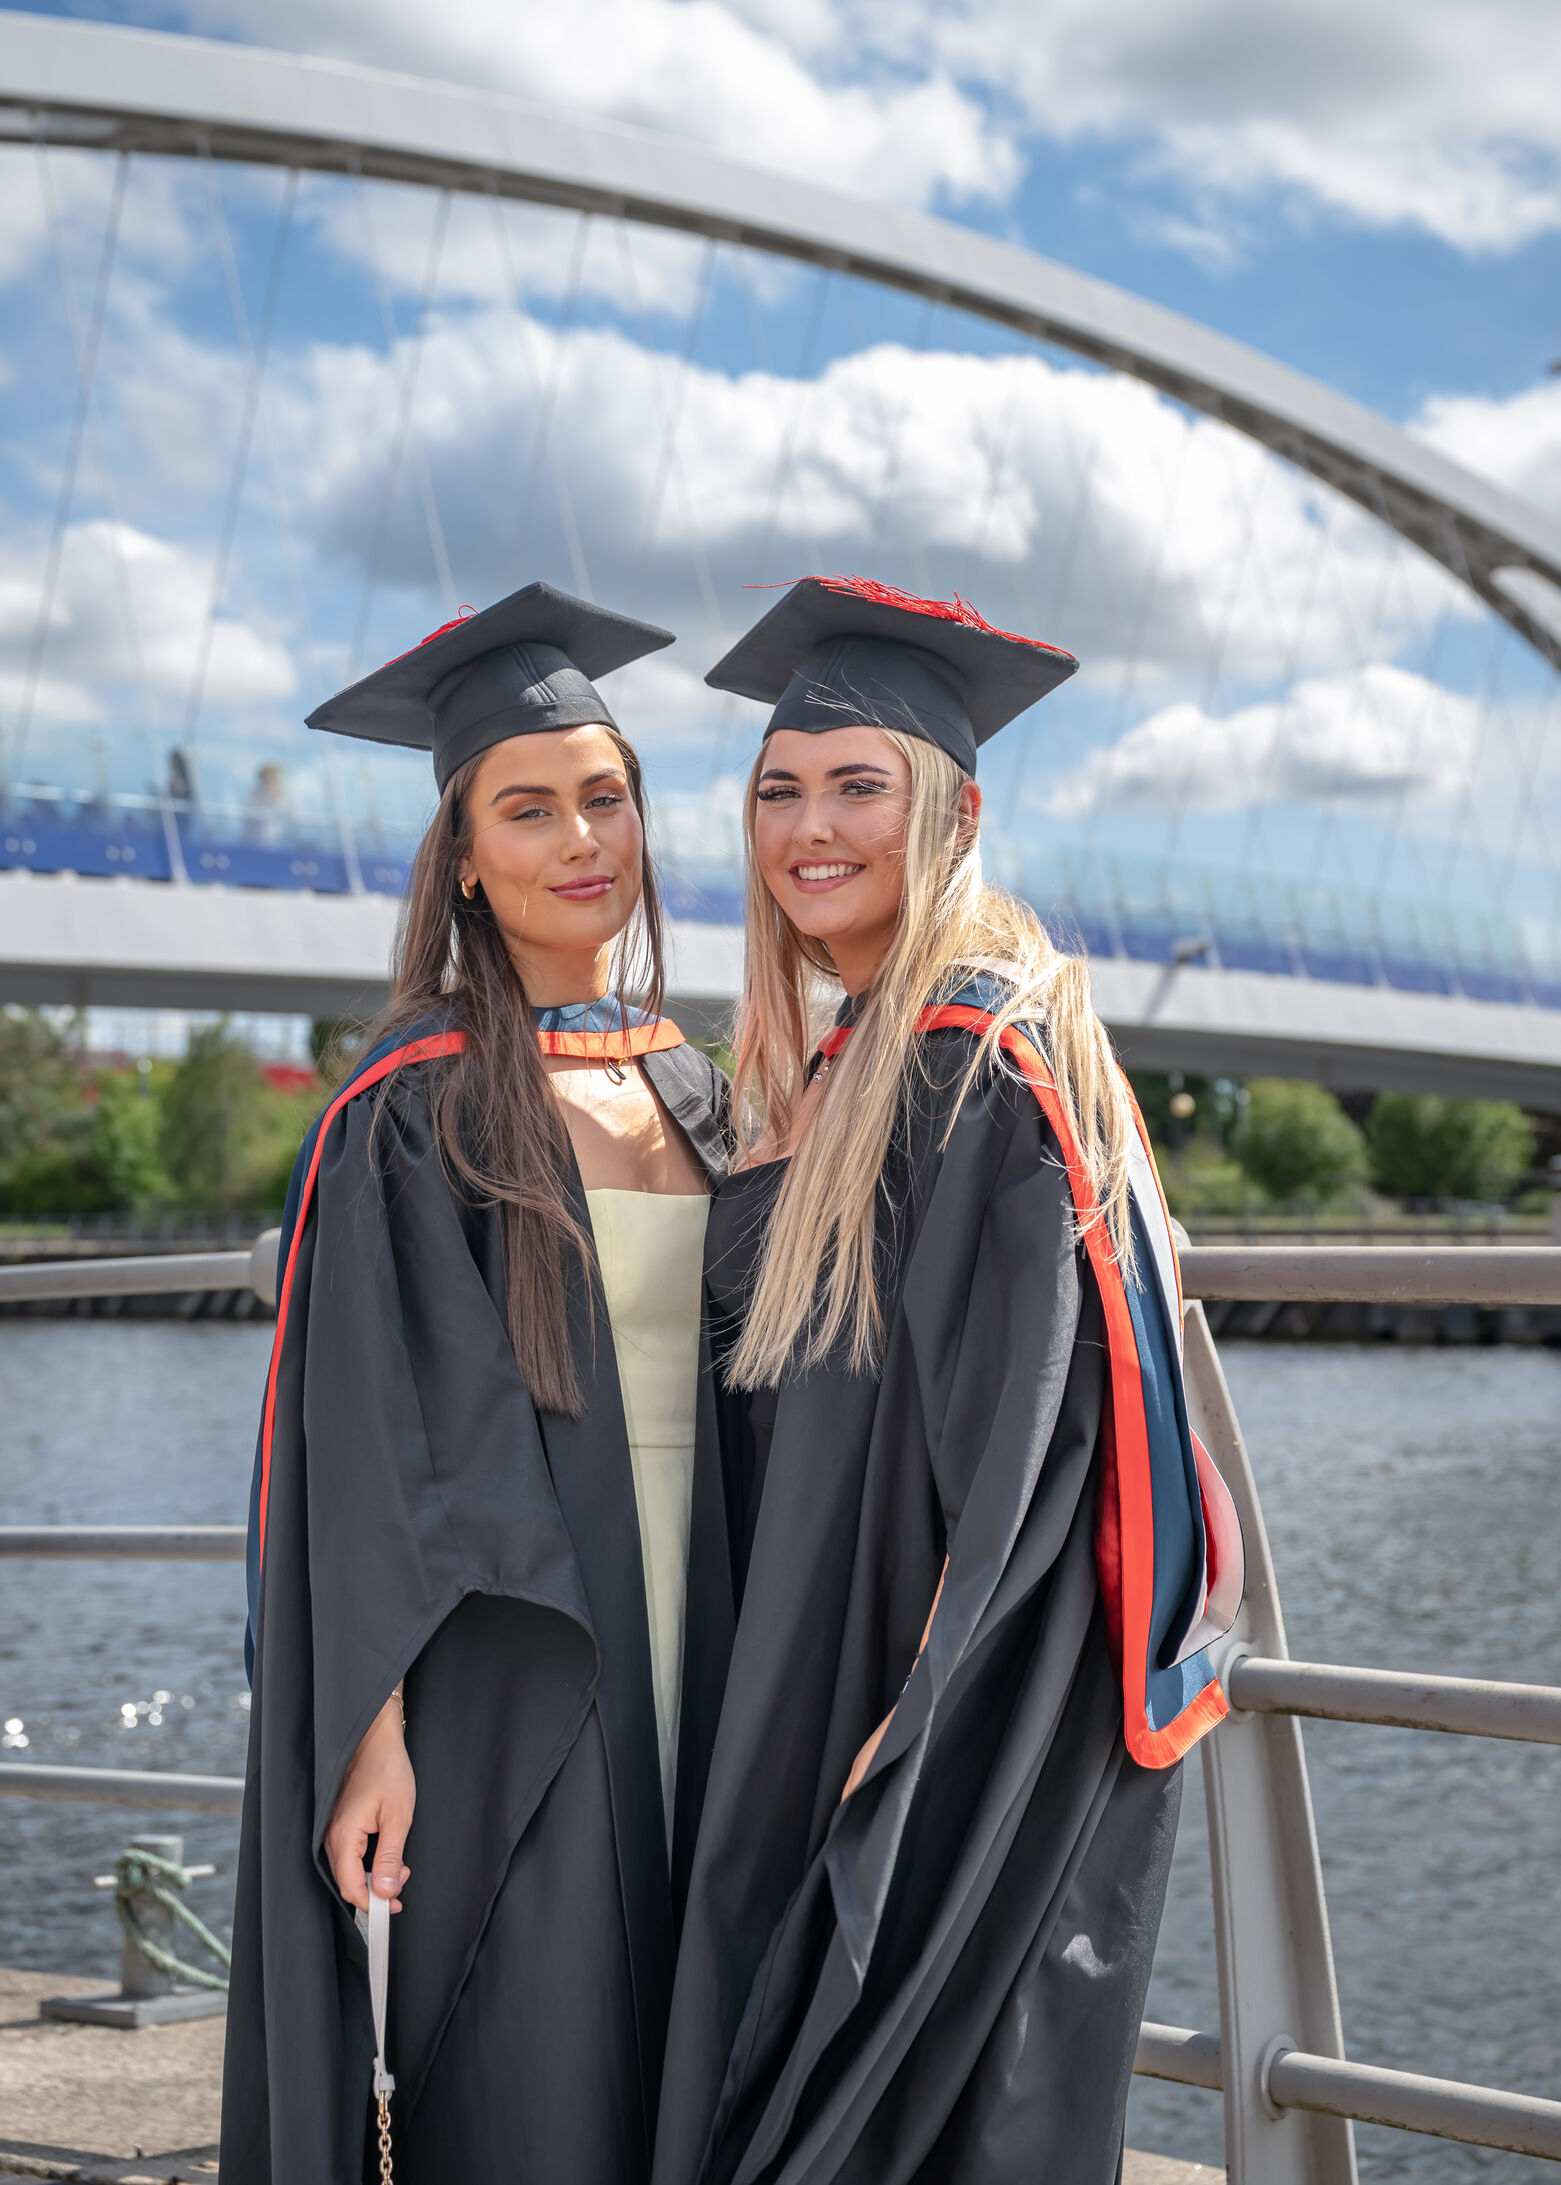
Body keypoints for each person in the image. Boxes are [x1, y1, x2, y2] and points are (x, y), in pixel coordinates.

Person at [655, 577, 1243, 2185]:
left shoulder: (977, 1067)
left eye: (859, 783)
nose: (807, 827)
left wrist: (907, 1730)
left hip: (941, 1721)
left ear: (956, 810)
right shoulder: (867, 1057)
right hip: (845, 1670)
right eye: (779, 789)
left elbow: (1025, 1458)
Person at [222, 585, 736, 2185]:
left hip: (715, 1634)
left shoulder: (704, 1085)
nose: (580, 836)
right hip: (521, 1663)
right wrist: (366, 1727)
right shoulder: (411, 1106)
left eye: (607, 795)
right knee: (541, 2054)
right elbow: (367, 1442)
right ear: (463, 854)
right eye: (528, 807)